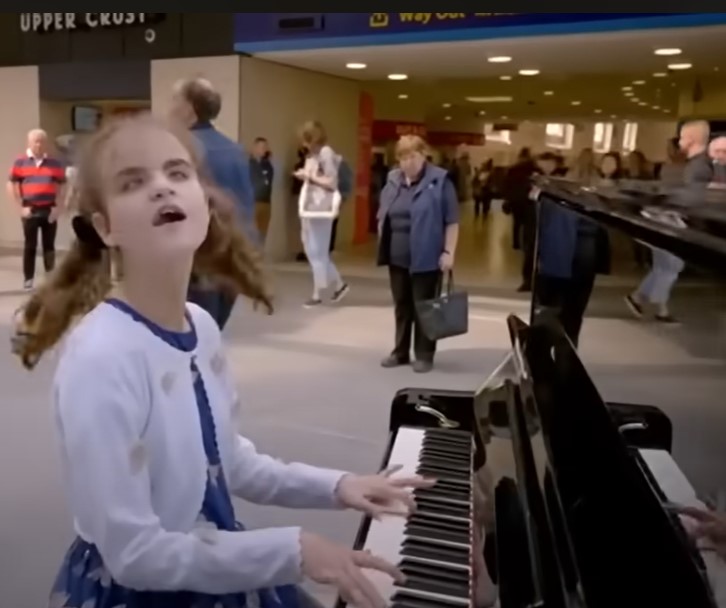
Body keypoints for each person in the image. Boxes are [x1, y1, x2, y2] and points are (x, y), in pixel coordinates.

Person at [12, 114, 429, 608]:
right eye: (134, 182)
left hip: (213, 558)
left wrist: (339, 486)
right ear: (105, 228)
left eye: (177, 173)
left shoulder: (199, 326)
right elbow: (134, 553)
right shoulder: (102, 355)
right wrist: (292, 550)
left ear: (204, 205)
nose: (162, 189)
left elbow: (228, 462)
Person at [170, 77, 256, 330]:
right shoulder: (235, 150)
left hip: (195, 263)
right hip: (231, 259)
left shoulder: (181, 150)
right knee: (211, 334)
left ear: (188, 109)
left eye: (174, 100)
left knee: (187, 339)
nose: (169, 108)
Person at [377, 135, 460, 374]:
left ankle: (424, 354)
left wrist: (448, 251)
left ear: (424, 155)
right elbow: (385, 211)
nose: (408, 162)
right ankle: (400, 351)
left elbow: (452, 221)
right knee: (402, 305)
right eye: (403, 157)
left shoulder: (440, 180)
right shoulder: (393, 180)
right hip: (397, 255)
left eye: (413, 156)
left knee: (424, 306)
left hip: (427, 255)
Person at [625, 121, 711, 326]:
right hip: (671, 219)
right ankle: (656, 306)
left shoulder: (671, 168)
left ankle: (641, 299)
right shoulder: (687, 169)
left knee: (665, 265)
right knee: (671, 266)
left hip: (662, 217)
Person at [533, 152, 610, 347]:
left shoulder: (558, 192)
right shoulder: (599, 195)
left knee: (550, 307)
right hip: (586, 252)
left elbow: (541, 223)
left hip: (557, 255)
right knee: (575, 311)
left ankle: (543, 350)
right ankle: (568, 349)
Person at [294, 120, 349, 309]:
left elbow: (332, 182)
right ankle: (339, 285)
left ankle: (318, 293)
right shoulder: (314, 155)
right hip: (310, 208)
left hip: (320, 209)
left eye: (305, 139)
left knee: (317, 252)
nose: (303, 144)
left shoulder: (326, 153)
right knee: (313, 251)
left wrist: (309, 177)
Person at [7, 128, 66, 290]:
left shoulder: (54, 163)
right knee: (30, 245)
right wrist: (21, 207)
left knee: (49, 246)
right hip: (30, 209)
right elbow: (12, 184)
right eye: (35, 141)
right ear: (29, 143)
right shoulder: (20, 162)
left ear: (45, 143)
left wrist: (58, 208)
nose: (38, 145)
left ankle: (50, 279)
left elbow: (62, 186)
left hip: (49, 210)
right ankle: (28, 279)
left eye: (41, 141)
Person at [250, 136, 274, 238]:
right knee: (252, 233)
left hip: (266, 202)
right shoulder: (249, 164)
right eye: (261, 147)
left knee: (262, 233)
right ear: (255, 148)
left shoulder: (268, 166)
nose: (264, 149)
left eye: (265, 147)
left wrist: (267, 160)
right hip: (253, 202)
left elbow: (269, 180)